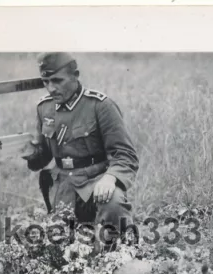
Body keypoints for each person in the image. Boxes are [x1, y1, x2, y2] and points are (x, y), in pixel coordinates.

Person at [23, 52, 139, 248]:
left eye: (57, 81)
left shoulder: (100, 106)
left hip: (96, 181)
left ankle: (124, 253)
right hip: (63, 187)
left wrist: (111, 178)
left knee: (114, 206)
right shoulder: (44, 108)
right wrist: (32, 154)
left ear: (75, 75)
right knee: (61, 249)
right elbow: (43, 157)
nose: (51, 88)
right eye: (46, 82)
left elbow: (125, 154)